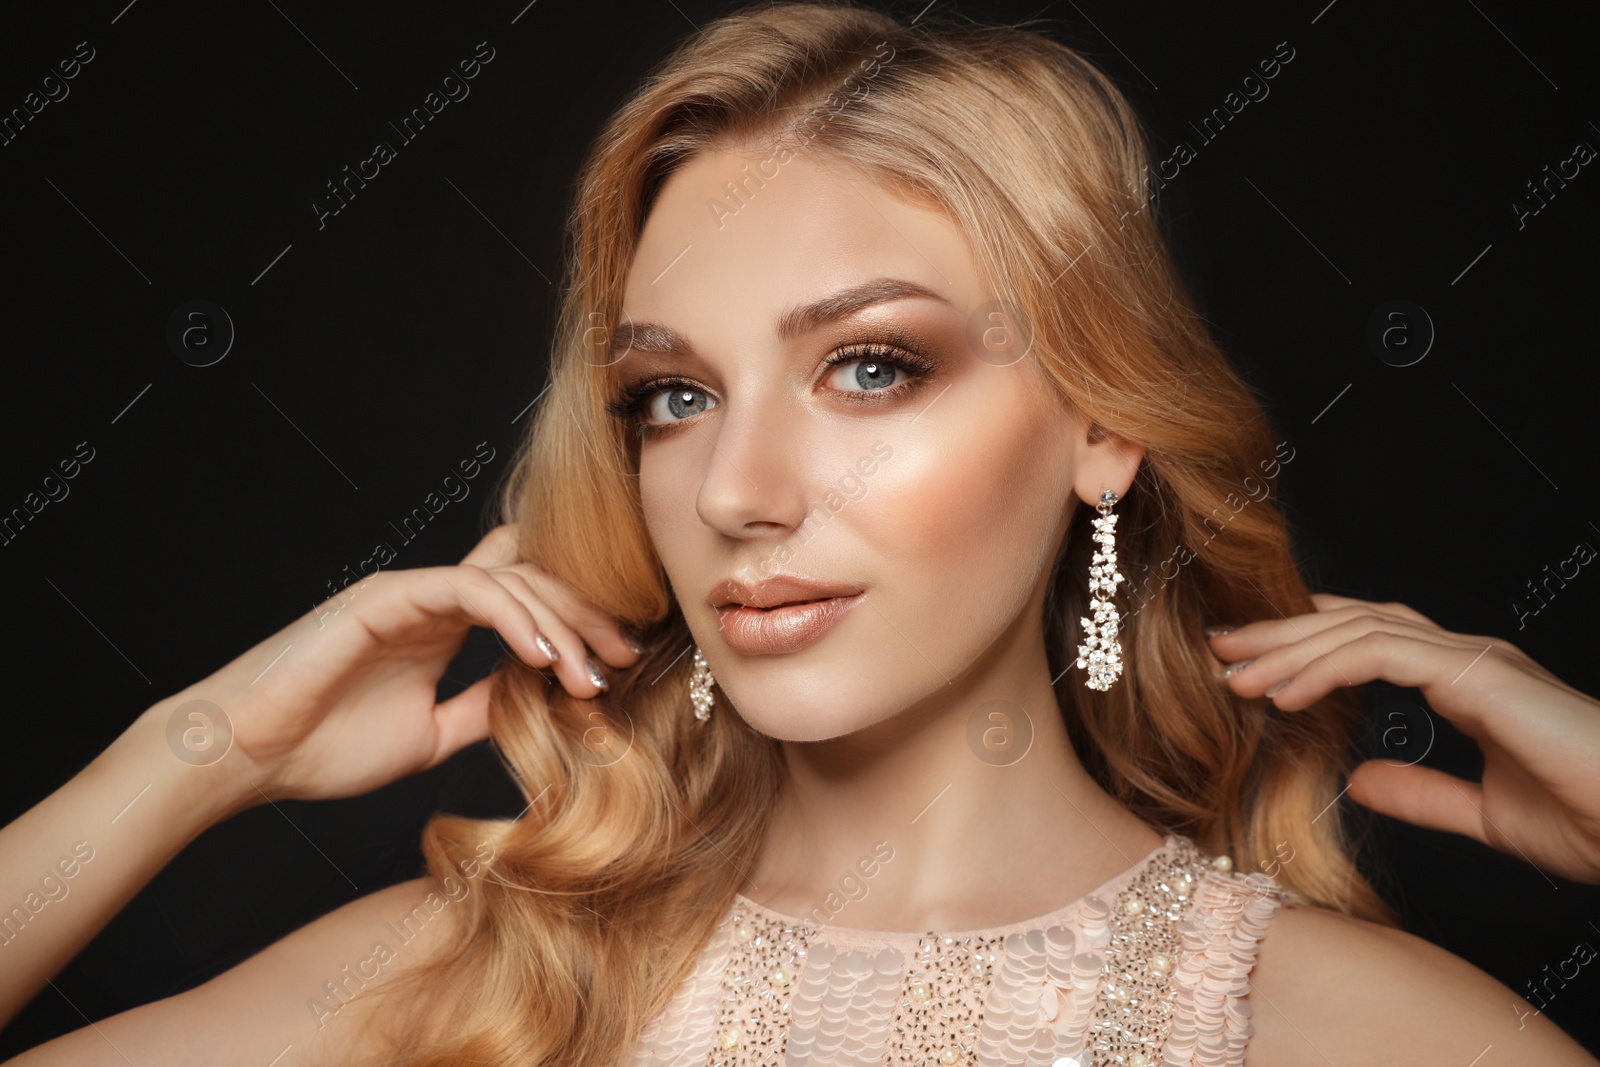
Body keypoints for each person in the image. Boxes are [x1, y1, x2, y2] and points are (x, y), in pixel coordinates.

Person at [3, 2, 1598, 1064]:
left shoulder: (1340, 1029)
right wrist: (202, 751)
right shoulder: (481, 978)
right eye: (673, 397)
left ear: (1105, 425)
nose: (738, 490)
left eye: (872, 367)